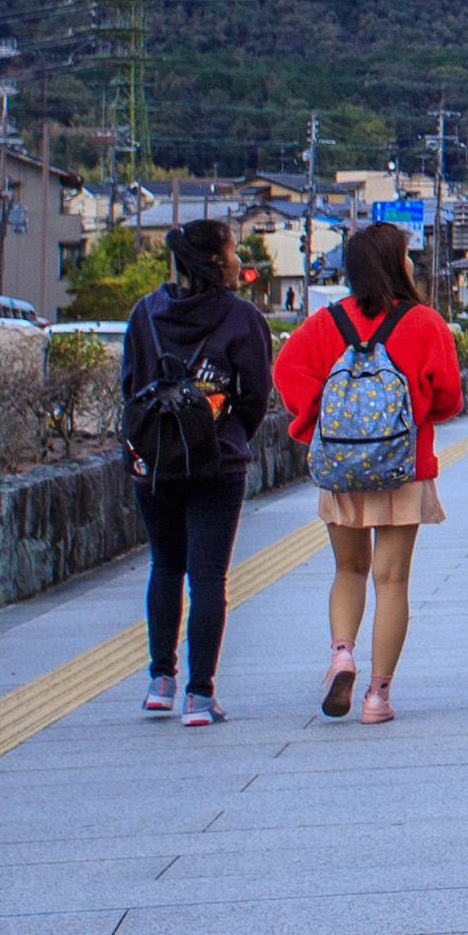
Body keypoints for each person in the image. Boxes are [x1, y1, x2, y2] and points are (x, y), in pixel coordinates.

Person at [273, 224, 465, 723]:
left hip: (341, 470)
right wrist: (411, 414)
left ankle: (341, 654)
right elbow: (448, 398)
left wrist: (319, 419)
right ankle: (377, 698)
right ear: (396, 263)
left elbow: (286, 370)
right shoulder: (424, 323)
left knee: (348, 569)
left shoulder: (324, 324)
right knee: (392, 579)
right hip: (403, 469)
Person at [119, 218, 275, 727]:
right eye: (233, 251)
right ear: (215, 262)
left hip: (155, 461)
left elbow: (130, 385)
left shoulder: (145, 314)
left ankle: (159, 681)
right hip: (216, 462)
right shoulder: (242, 318)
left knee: (164, 565)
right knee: (208, 576)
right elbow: (256, 397)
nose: (238, 259)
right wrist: (228, 437)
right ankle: (200, 696)